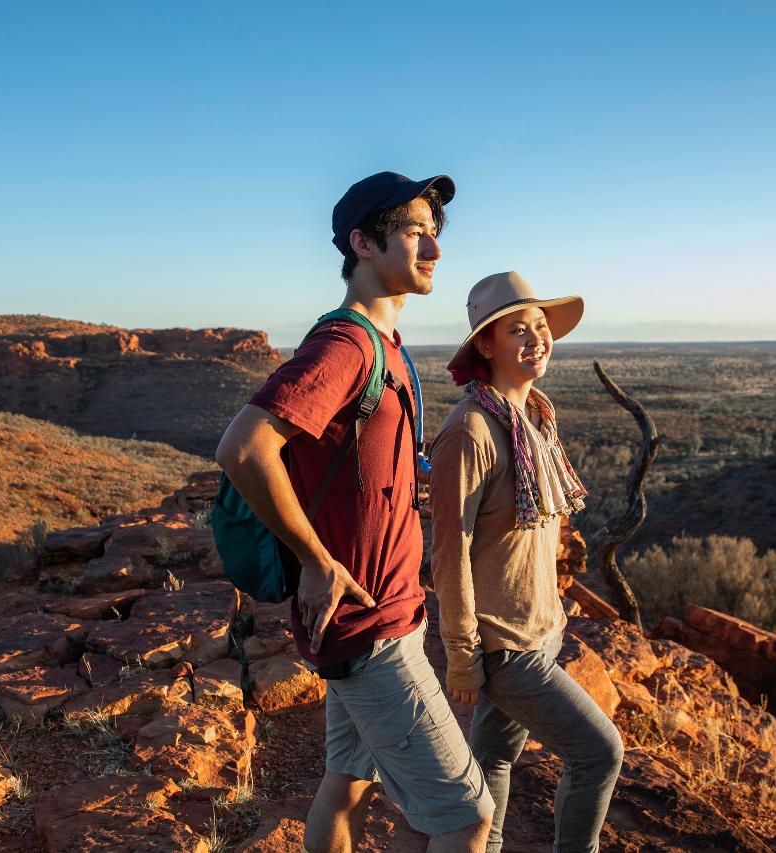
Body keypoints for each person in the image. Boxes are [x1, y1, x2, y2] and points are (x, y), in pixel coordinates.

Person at [215, 172, 493, 852]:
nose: (434, 249)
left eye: (435, 233)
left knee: (348, 783)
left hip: (379, 611)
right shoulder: (347, 345)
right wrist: (316, 561)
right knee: (465, 815)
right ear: (363, 243)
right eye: (416, 232)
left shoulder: (386, 343)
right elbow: (244, 448)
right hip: (370, 626)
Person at [430, 271, 624, 853]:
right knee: (599, 753)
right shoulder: (470, 431)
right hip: (503, 645)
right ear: (486, 346)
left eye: (541, 326)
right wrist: (462, 655)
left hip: (539, 629)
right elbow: (448, 551)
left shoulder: (534, 417)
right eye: (518, 329)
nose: (537, 338)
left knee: (494, 755)